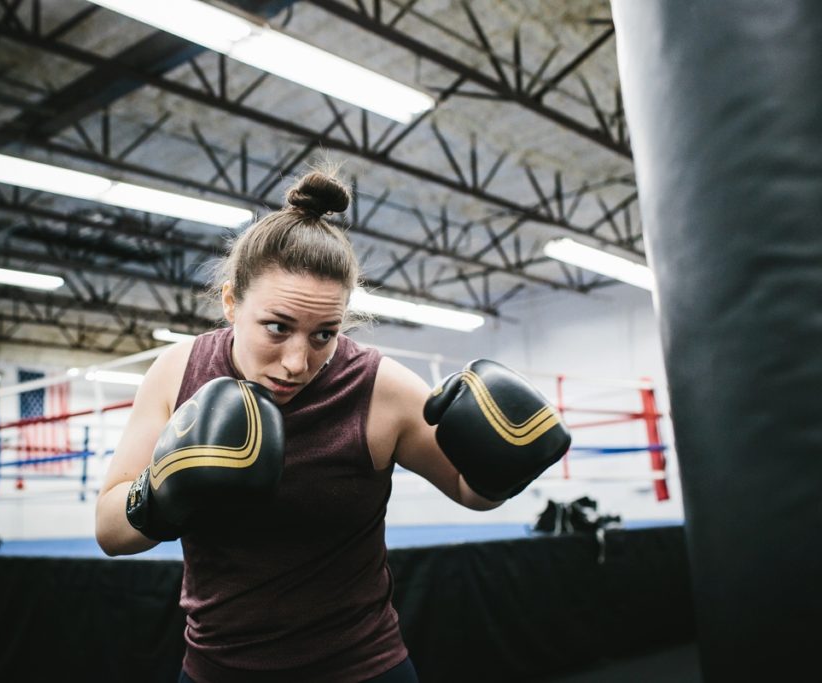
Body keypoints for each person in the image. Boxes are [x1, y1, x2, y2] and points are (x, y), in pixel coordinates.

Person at [95, 169, 571, 683]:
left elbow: (468, 490)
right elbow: (109, 530)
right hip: (216, 670)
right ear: (231, 302)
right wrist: (161, 497)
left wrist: (500, 466)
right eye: (276, 328)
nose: (298, 361)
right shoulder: (179, 370)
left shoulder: (379, 387)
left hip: (362, 669)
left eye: (324, 334)